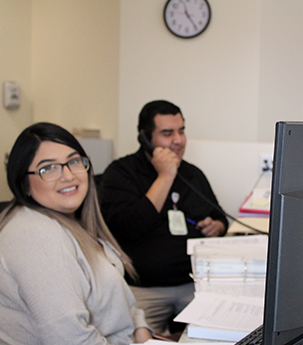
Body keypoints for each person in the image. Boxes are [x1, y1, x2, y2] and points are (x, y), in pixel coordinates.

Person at [0, 122, 152, 345]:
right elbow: (70, 339)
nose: (68, 176)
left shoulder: (72, 221)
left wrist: (140, 328)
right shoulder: (34, 235)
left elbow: (114, 294)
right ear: (24, 184)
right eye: (48, 168)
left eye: (73, 161)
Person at [99, 100, 229, 336]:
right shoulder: (120, 173)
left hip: (193, 284)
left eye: (181, 131)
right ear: (145, 137)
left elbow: (220, 216)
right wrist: (165, 176)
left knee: (218, 335)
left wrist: (217, 226)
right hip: (144, 288)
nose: (178, 140)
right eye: (167, 133)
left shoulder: (192, 174)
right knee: (135, 339)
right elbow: (126, 228)